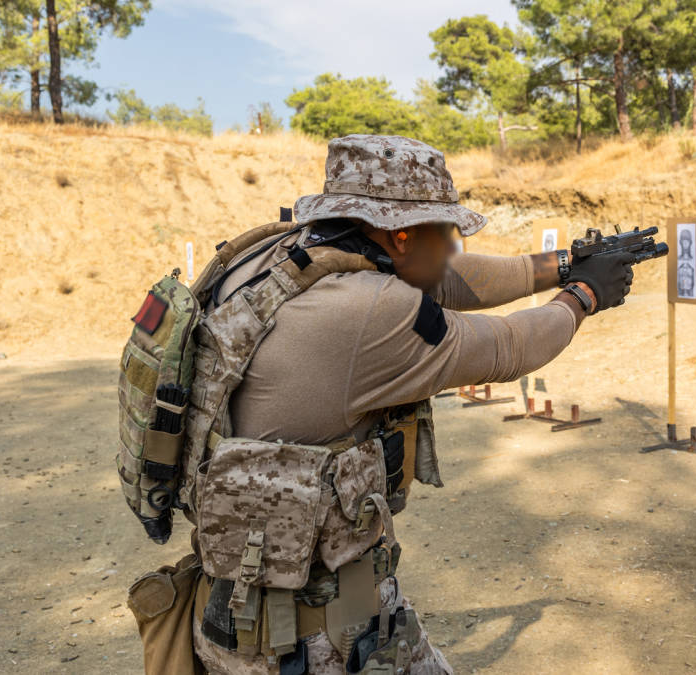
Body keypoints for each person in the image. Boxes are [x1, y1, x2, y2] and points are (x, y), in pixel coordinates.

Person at [181, 135, 636, 674]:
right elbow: (510, 348)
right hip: (316, 641)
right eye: (445, 233)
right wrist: (583, 296)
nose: (452, 247)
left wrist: (565, 264)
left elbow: (450, 277)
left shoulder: (276, 258)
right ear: (399, 236)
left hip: (232, 612)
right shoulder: (373, 309)